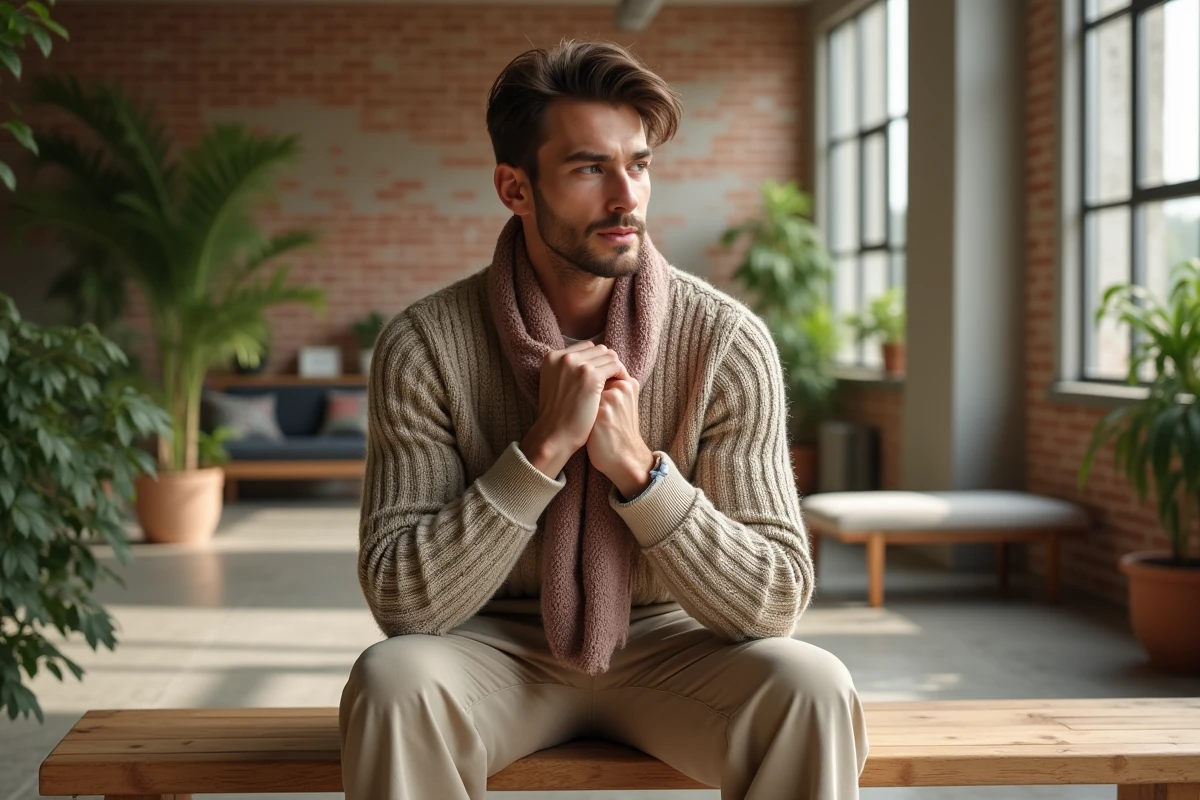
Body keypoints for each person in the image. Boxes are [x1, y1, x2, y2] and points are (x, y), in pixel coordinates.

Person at [338, 38, 868, 800]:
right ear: (515, 188)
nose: (628, 197)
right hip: (492, 648)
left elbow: (777, 596)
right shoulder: (425, 344)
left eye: (640, 163)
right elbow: (401, 601)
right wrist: (540, 453)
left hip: (674, 645)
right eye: (591, 168)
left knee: (811, 685)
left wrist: (642, 476)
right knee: (392, 682)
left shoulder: (725, 341)